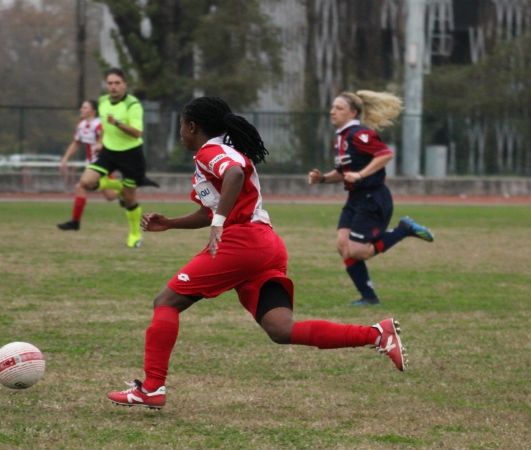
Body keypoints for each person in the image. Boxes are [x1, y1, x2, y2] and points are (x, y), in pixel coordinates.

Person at [107, 96, 407, 410]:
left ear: (192, 127)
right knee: (281, 329)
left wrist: (220, 222)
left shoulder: (212, 151)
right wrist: (170, 224)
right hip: (264, 244)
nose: (180, 132)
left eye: (181, 125)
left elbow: (234, 176)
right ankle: (376, 334)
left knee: (166, 301)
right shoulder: (220, 151)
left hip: (243, 243)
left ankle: (152, 388)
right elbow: (213, 209)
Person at [308, 90, 435, 306]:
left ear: (353, 112)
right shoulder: (340, 139)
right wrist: (321, 179)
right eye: (332, 107)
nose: (332, 111)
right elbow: (342, 173)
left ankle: (404, 228)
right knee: (343, 245)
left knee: (358, 250)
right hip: (355, 198)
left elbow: (385, 154)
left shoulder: (360, 134)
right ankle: (369, 297)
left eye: (339, 108)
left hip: (373, 197)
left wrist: (360, 175)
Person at [76, 67, 158, 248]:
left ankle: (135, 234)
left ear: (125, 85)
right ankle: (121, 186)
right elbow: (104, 126)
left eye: (117, 83)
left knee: (129, 198)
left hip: (131, 155)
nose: (113, 87)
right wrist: (100, 142)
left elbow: (137, 133)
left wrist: (118, 123)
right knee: (86, 181)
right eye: (110, 83)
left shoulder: (132, 105)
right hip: (109, 152)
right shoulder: (103, 101)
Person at [57, 100, 121, 231]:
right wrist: (65, 158)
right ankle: (126, 188)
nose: (81, 109)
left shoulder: (99, 125)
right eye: (81, 107)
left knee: (81, 186)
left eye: (85, 107)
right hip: (92, 165)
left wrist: (101, 144)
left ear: (93, 111)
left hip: (102, 164)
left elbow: (109, 140)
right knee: (109, 196)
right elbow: (76, 143)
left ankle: (75, 222)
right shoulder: (81, 125)